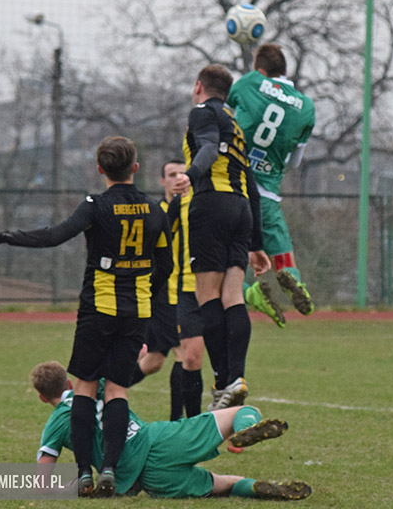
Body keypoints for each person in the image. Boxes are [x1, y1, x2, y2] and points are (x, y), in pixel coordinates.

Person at [0, 136, 173, 497]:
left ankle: (84, 473)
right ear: (135, 169)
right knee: (117, 390)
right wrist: (145, 298)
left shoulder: (95, 206)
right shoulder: (156, 210)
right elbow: (166, 265)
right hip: (135, 311)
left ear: (100, 169)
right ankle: (110, 466)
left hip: (98, 310)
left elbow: (53, 236)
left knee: (83, 387)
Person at [31, 361, 311, 500]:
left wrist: (80, 487)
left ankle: (251, 487)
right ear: (69, 383)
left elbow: (42, 479)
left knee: (218, 484)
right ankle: (246, 429)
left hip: (139, 479)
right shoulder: (102, 384)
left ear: (43, 398)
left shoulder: (56, 423)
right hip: (157, 441)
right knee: (243, 411)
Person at [173, 64, 270, 412]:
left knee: (207, 296)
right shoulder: (236, 123)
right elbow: (253, 187)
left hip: (211, 206)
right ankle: (237, 378)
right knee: (233, 297)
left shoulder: (200, 112)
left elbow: (209, 147)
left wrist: (190, 174)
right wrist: (258, 243)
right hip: (240, 208)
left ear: (199, 86)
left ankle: (222, 382)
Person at [227, 44, 317, 325]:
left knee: (219, 266)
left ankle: (249, 293)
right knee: (280, 247)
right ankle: (294, 279)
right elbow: (294, 163)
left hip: (231, 188)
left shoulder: (250, 82)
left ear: (259, 68)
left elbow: (224, 118)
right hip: (266, 194)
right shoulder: (306, 106)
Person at [130, 160, 204, 422]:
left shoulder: (193, 209)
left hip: (187, 291)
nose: (178, 179)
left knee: (154, 361)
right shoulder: (157, 211)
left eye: (182, 173)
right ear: (162, 181)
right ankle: (178, 421)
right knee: (181, 354)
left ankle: (108, 390)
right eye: (171, 175)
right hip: (163, 295)